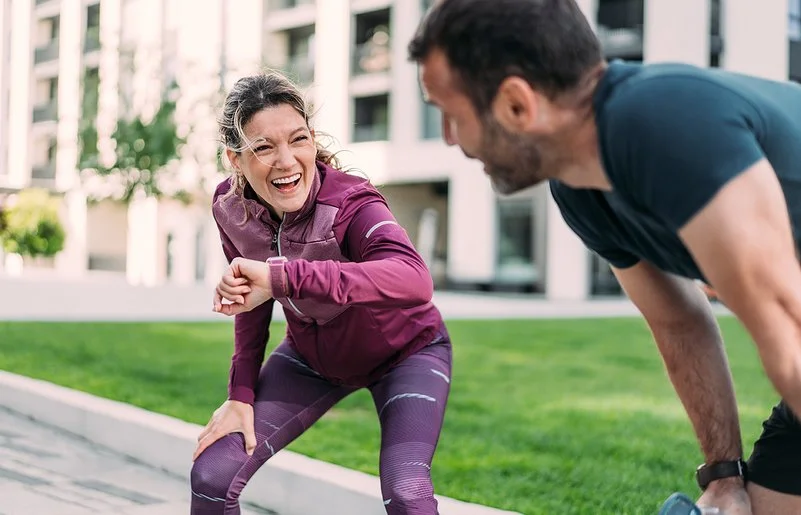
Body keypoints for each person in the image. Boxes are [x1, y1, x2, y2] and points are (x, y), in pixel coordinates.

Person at [408, 0, 801, 514]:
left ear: (516, 105)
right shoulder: (579, 188)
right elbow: (678, 320)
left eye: (450, 115)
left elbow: (788, 334)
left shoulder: (663, 124)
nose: (449, 140)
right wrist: (724, 475)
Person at [189, 71, 452, 515]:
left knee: (407, 491)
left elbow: (414, 280)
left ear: (312, 139)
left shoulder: (352, 204)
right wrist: (240, 394)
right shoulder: (230, 208)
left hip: (409, 354)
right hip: (312, 361)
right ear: (235, 159)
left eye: (297, 139)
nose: (287, 160)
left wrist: (283, 277)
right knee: (212, 474)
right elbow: (250, 305)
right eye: (264, 147)